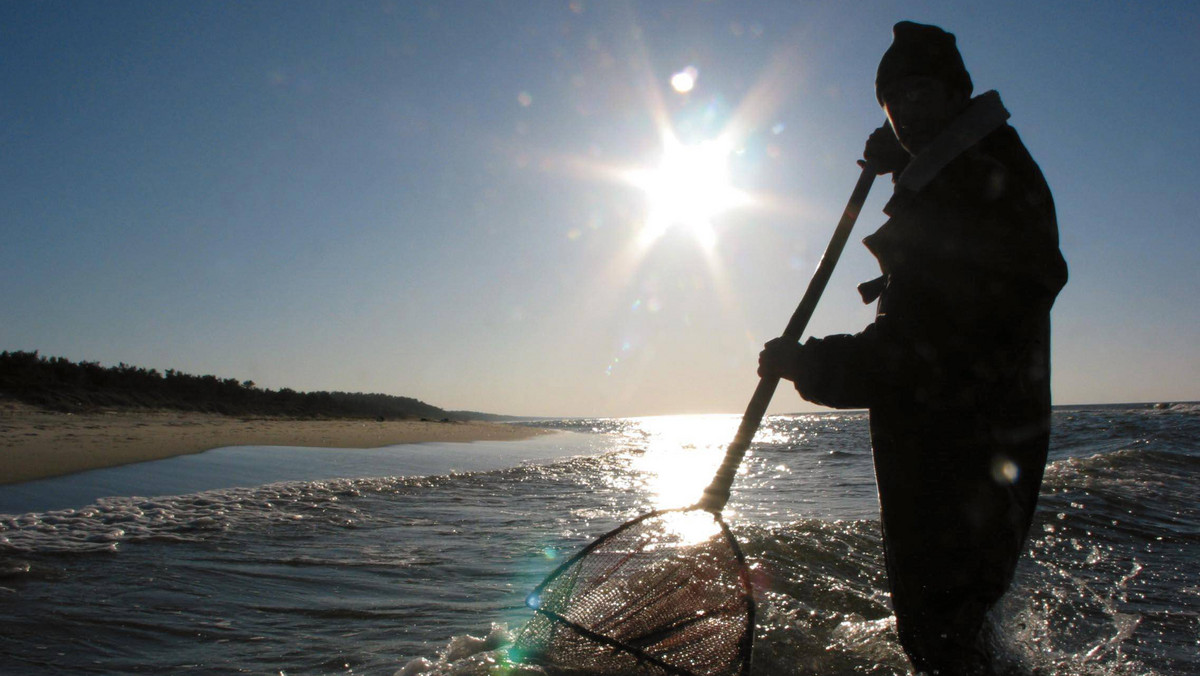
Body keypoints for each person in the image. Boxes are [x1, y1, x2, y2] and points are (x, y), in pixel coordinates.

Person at [758, 21, 1068, 675]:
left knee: (943, 638)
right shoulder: (978, 167)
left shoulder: (967, 192)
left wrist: (810, 364)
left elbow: (918, 353)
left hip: (960, 459)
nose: (904, 112)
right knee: (959, 633)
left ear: (958, 93)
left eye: (921, 93)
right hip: (976, 450)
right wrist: (909, 160)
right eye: (892, 100)